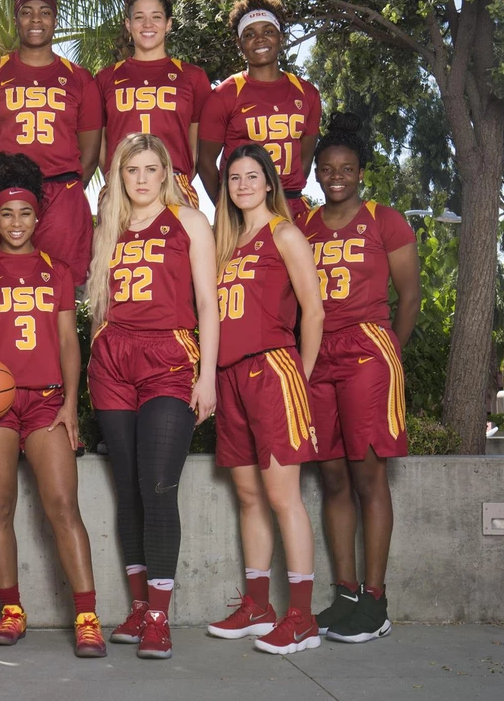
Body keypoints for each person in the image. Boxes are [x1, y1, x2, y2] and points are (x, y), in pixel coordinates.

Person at [0, 153, 106, 659]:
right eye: (7, 214)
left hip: (47, 400)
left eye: (25, 214)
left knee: (62, 507)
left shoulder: (57, 270)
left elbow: (69, 342)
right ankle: (11, 610)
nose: (15, 223)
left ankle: (87, 617)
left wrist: (72, 406)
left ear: (37, 216)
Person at [86, 133, 219, 659]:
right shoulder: (109, 229)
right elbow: (98, 301)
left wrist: (206, 377)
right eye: (130, 170)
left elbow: (208, 304)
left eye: (149, 169)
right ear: (119, 176)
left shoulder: (189, 222)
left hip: (170, 359)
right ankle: (139, 608)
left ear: (166, 173)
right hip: (113, 361)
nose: (140, 179)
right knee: (127, 488)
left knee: (158, 486)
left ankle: (161, 616)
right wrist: (98, 351)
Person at [296, 113, 421, 644]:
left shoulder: (384, 220)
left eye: (346, 168)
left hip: (367, 349)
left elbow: (410, 295)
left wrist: (393, 348)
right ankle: (345, 593)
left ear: (361, 172)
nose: (336, 176)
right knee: (331, 477)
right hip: (319, 356)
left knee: (367, 474)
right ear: (317, 174)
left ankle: (376, 598)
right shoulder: (303, 225)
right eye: (327, 169)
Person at [207, 145, 325, 655]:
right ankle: (258, 605)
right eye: (235, 178)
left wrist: (302, 373)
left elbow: (314, 312)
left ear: (269, 181)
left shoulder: (285, 232)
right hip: (229, 376)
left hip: (272, 370)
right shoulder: (225, 243)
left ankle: (302, 617)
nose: (243, 185)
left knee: (282, 497)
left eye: (252, 176)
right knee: (249, 497)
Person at [0, 0, 102, 285]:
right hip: (4, 193)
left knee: (59, 290)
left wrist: (63, 193)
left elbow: (90, 155)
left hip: (62, 193)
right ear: (17, 18)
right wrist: (0, 195)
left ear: (55, 19)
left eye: (44, 12)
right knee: (0, 288)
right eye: (27, 12)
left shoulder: (81, 79)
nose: (36, 20)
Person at [197, 0, 321, 216]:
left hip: (292, 207)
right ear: (239, 43)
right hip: (243, 209)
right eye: (249, 34)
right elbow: (205, 162)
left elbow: (304, 161)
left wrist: (282, 197)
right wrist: (227, 208)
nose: (260, 39)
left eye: (268, 31)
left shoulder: (307, 93)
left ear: (280, 37)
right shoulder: (225, 94)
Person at [96, 0, 212, 207]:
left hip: (173, 183)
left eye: (156, 17)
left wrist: (178, 179)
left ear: (168, 24)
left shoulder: (192, 77)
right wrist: (114, 177)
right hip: (122, 186)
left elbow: (195, 145)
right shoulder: (106, 78)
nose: (147, 25)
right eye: (139, 18)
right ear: (128, 24)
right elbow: (100, 144)